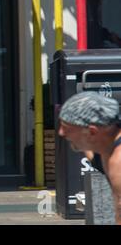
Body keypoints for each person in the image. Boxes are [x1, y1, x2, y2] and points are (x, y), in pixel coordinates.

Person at [58, 91, 121, 225]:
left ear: (92, 132)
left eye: (66, 128)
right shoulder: (103, 146)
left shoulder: (118, 162)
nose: (61, 133)